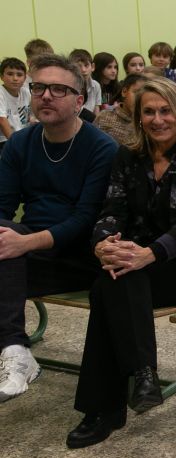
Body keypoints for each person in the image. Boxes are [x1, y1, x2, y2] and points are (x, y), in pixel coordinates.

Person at [67, 77, 176, 447]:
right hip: (135, 264)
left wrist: (148, 254)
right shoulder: (128, 156)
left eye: (165, 110)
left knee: (112, 285)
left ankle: (103, 409)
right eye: (149, 112)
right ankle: (142, 374)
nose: (157, 119)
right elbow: (112, 209)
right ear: (138, 117)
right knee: (113, 278)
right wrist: (104, 243)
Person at [0, 54, 117, 402]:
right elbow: (2, 206)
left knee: (8, 246)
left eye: (58, 89)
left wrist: (26, 242)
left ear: (79, 101)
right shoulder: (20, 143)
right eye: (38, 88)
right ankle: (14, 350)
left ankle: (15, 352)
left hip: (81, 257)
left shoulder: (101, 148)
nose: (45, 96)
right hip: (28, 254)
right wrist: (19, 241)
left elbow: (85, 220)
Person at [93, 74, 147, 146]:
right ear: (124, 92)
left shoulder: (146, 122)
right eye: (137, 93)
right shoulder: (105, 117)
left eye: (144, 95)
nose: (140, 99)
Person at [0, 58, 31, 152]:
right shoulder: (1, 93)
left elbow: (36, 112)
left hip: (23, 137)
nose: (15, 78)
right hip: (5, 140)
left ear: (25, 78)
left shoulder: (26, 92)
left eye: (19, 75)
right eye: (10, 74)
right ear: (1, 76)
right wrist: (15, 145)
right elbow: (2, 120)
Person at [70, 49, 101, 114]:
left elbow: (96, 112)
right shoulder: (69, 86)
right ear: (71, 68)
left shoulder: (96, 85)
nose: (83, 70)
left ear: (92, 67)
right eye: (78, 66)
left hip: (90, 122)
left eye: (86, 65)